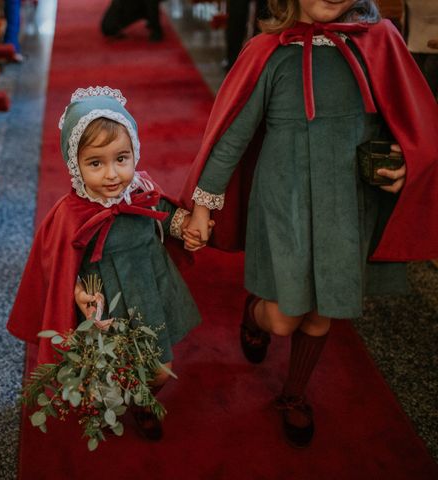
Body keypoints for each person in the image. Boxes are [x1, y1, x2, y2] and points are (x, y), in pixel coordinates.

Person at [180, 0, 438, 448]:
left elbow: (408, 118)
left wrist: (404, 158)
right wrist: (203, 205)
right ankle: (256, 314)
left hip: (348, 203)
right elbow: (232, 135)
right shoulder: (268, 50)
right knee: (283, 318)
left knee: (323, 313)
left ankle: (294, 394)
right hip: (286, 201)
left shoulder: (379, 42)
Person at [8, 86, 210, 440]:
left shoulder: (142, 191)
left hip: (149, 291)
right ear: (75, 165)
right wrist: (78, 293)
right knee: (113, 372)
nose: (113, 174)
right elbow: (56, 267)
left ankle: (143, 401)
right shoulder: (70, 215)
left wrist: (186, 228)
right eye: (95, 163)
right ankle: (129, 399)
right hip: (108, 306)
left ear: (135, 151)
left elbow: (166, 216)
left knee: (161, 370)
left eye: (122, 158)